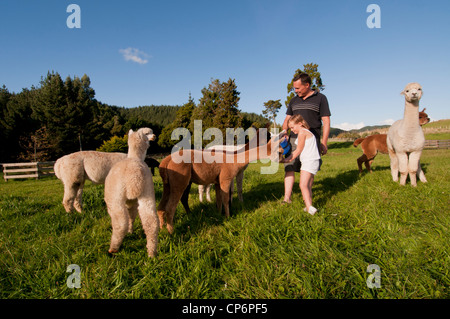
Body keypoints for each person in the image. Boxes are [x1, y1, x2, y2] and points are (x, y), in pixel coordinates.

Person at [281, 73, 331, 205]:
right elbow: (287, 119)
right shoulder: (294, 100)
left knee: (308, 168)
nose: (295, 91)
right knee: (289, 167)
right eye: (294, 88)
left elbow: (326, 121)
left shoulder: (320, 98)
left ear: (307, 85)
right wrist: (284, 131)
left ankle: (307, 198)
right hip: (293, 140)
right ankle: (287, 198)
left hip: (311, 141)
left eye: (298, 88)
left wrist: (324, 142)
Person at [281, 115, 320, 215]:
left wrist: (287, 160)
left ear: (300, 124)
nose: (292, 130)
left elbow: (298, 150)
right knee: (307, 185)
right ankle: (308, 205)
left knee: (302, 185)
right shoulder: (308, 132)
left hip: (309, 161)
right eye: (290, 129)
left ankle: (309, 208)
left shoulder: (302, 132)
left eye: (293, 127)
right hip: (313, 161)